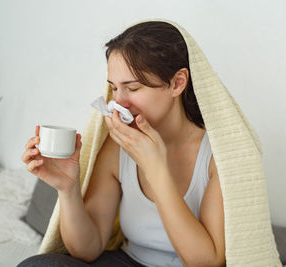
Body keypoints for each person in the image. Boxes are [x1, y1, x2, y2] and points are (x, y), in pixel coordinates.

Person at [19, 20, 225, 267]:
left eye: (133, 88)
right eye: (114, 88)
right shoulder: (118, 146)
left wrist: (155, 168)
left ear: (177, 83)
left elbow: (207, 263)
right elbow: (87, 250)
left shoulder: (218, 155)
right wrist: (68, 189)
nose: (118, 102)